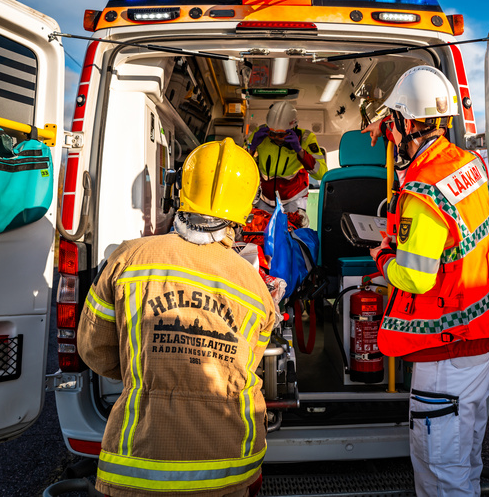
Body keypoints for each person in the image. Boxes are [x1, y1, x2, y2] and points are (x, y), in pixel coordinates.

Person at [77, 137, 277, 497]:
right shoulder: (255, 287)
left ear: (181, 192)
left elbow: (94, 350)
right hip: (229, 470)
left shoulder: (128, 259)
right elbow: (244, 368)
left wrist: (152, 366)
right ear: (244, 211)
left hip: (136, 466)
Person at [363, 66, 489, 497]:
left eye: (393, 124)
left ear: (406, 122)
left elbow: (414, 277)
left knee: (440, 470)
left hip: (446, 354)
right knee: (466, 456)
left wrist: (383, 256)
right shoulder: (469, 164)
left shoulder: (424, 190)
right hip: (483, 340)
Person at [246, 101, 327, 226]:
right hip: (264, 197)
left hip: (294, 198)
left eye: (281, 134)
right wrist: (251, 147)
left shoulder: (307, 138)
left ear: (293, 127)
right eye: (272, 134)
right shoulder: (260, 134)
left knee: (293, 235)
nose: (276, 138)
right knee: (257, 232)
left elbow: (321, 173)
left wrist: (300, 151)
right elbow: (242, 164)